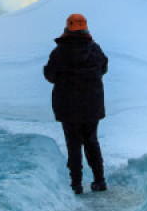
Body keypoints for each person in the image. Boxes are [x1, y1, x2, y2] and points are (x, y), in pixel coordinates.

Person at [43, 13, 109, 194]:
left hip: (68, 106)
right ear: (85, 28)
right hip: (92, 105)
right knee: (91, 141)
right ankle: (99, 180)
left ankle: (76, 184)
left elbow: (50, 75)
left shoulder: (59, 52)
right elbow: (104, 68)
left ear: (67, 28)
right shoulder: (95, 49)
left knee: (73, 144)